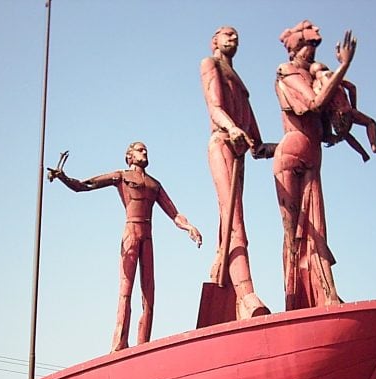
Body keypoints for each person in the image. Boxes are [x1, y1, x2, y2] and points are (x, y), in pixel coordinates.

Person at [48, 142, 202, 352]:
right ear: (129, 157)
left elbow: (173, 213)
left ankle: (143, 344)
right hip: (131, 234)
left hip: (147, 237)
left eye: (146, 149)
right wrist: (63, 177)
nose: (144, 152)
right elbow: (85, 185)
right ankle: (119, 343)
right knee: (125, 290)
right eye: (140, 150)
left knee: (149, 292)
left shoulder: (154, 184)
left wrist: (189, 227)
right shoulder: (121, 176)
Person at [273, 20, 356, 310]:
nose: (311, 52)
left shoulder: (316, 74)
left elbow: (329, 123)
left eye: (314, 47)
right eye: (308, 46)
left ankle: (327, 294)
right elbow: (313, 104)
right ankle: (294, 301)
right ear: (295, 47)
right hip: (293, 155)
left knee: (317, 227)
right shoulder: (287, 73)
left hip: (311, 155)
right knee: (294, 232)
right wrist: (344, 67)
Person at [200, 26, 275, 320]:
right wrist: (231, 128)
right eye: (227, 34)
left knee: (229, 218)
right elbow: (214, 107)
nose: (234, 38)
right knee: (235, 221)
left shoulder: (241, 85)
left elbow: (256, 143)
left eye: (237, 36)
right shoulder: (210, 64)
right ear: (214, 40)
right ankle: (246, 295)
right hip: (222, 144)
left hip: (240, 155)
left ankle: (222, 266)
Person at [309, 60, 376, 162]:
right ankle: (373, 144)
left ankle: (363, 153)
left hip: (335, 117)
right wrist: (354, 107)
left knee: (345, 134)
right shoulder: (330, 74)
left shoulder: (314, 86)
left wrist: (327, 130)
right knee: (370, 123)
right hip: (346, 110)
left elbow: (319, 108)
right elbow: (352, 88)